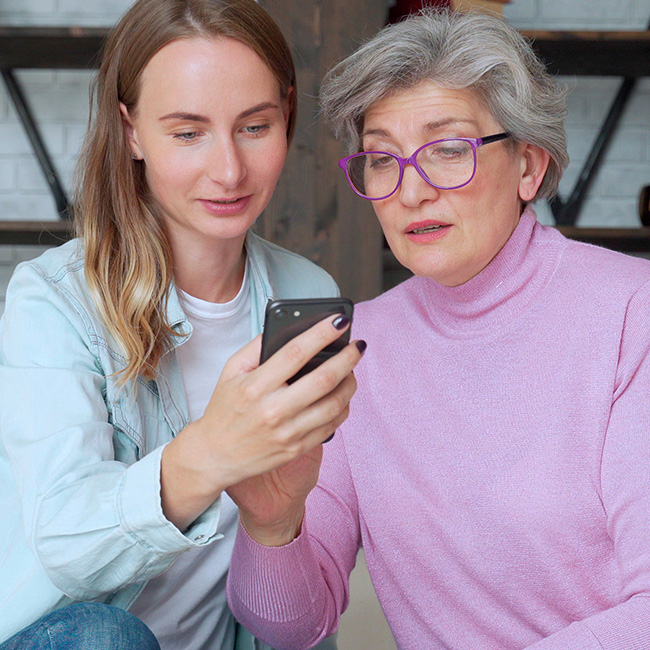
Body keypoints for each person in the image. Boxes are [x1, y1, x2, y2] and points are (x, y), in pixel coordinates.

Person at [226, 8, 650, 650]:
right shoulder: (357, 349)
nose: (411, 192)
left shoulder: (630, 313)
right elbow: (295, 627)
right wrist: (271, 525)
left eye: (449, 151)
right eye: (382, 158)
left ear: (530, 166)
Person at [0, 0, 365, 648]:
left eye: (255, 126)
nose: (229, 170)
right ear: (131, 131)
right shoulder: (53, 301)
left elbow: (291, 615)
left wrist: (276, 524)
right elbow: (66, 546)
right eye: (188, 133)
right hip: (71, 639)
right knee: (104, 636)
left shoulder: (308, 295)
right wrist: (212, 452)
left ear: (287, 115)